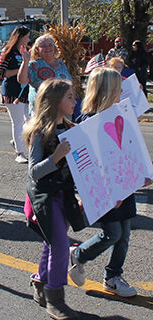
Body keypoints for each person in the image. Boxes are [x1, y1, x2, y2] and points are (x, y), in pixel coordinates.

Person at [68, 68, 153, 298]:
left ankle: (112, 276)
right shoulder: (87, 121)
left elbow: (126, 150)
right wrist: (106, 193)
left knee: (124, 234)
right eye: (117, 89)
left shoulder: (119, 116)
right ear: (105, 91)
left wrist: (140, 174)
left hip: (123, 187)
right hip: (106, 189)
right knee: (113, 233)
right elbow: (89, 164)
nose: (121, 93)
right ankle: (80, 254)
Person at [24, 79, 85, 320]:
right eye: (69, 96)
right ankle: (55, 300)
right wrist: (56, 157)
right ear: (55, 101)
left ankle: (40, 282)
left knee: (52, 243)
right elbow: (34, 172)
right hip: (44, 198)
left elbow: (82, 166)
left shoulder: (72, 128)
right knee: (60, 245)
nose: (74, 101)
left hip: (64, 195)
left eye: (74, 96)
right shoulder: (41, 132)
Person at [0, 26, 31, 164]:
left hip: (26, 91)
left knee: (30, 121)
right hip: (12, 91)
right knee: (17, 122)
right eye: (27, 36)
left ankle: (16, 140)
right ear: (20, 37)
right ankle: (20, 153)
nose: (29, 39)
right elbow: (1, 73)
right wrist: (21, 68)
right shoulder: (8, 51)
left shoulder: (27, 51)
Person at [18, 34, 72, 116]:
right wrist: (25, 61)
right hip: (43, 112)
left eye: (50, 45)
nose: (48, 48)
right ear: (37, 49)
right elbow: (22, 80)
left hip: (62, 112)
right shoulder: (34, 65)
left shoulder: (61, 63)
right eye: (43, 46)